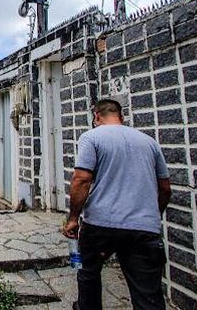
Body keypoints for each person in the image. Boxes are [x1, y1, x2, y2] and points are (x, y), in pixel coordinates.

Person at [62, 99, 171, 310]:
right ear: (122, 117)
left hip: (101, 224)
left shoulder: (91, 137)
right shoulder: (149, 142)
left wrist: (73, 218)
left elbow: (81, 179)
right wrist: (152, 215)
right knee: (148, 293)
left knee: (89, 275)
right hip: (144, 227)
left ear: (96, 117)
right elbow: (165, 188)